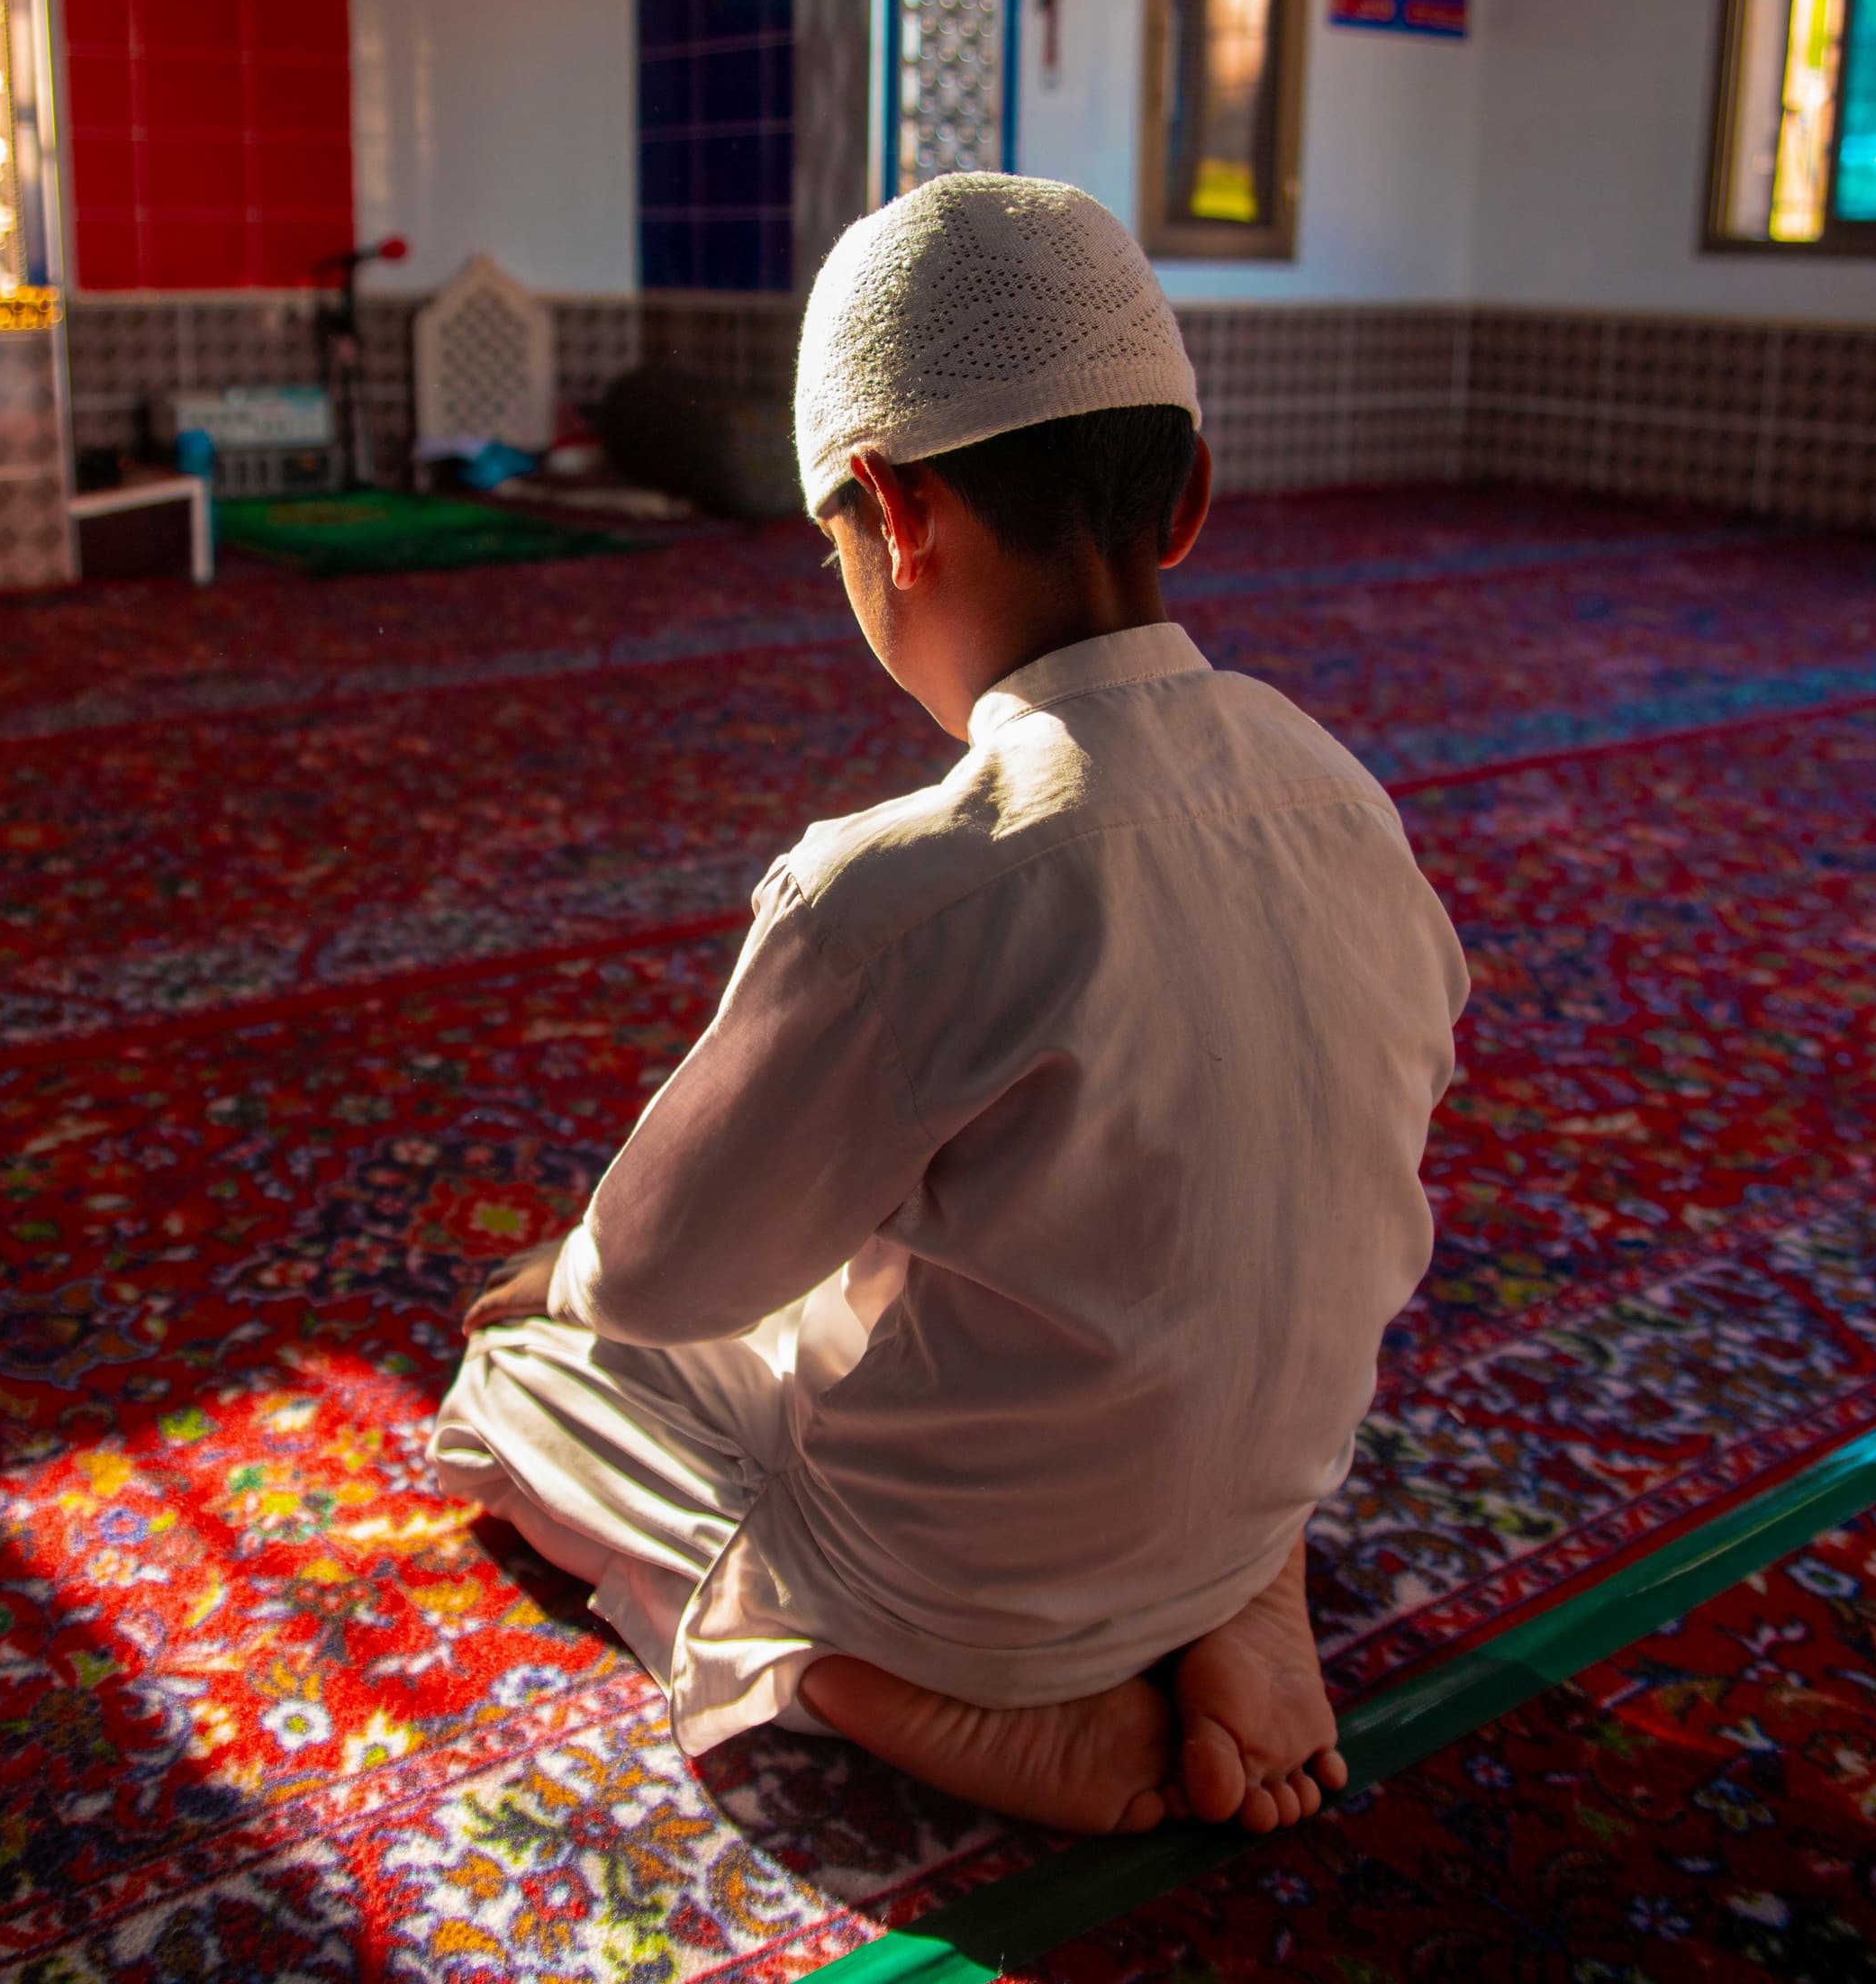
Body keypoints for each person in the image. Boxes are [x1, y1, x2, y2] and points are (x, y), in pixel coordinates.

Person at [430, 172, 1469, 1835]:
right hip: (1264, 1477)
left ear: (892, 513)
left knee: (526, 1387)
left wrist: (577, 1265)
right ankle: (1240, 1586)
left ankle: (847, 1669)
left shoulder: (908, 884)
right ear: (1187, 496)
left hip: (965, 1587)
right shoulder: (1343, 794)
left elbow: (662, 1274)